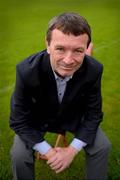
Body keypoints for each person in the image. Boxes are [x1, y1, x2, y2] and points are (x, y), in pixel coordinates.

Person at [10, 12, 111, 180]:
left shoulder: (94, 69)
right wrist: (48, 152)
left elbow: (94, 114)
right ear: (48, 45)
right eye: (60, 49)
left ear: (86, 49)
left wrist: (71, 151)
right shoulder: (26, 70)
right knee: (19, 154)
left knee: (102, 146)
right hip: (37, 118)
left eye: (78, 50)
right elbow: (18, 120)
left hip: (74, 116)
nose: (68, 60)